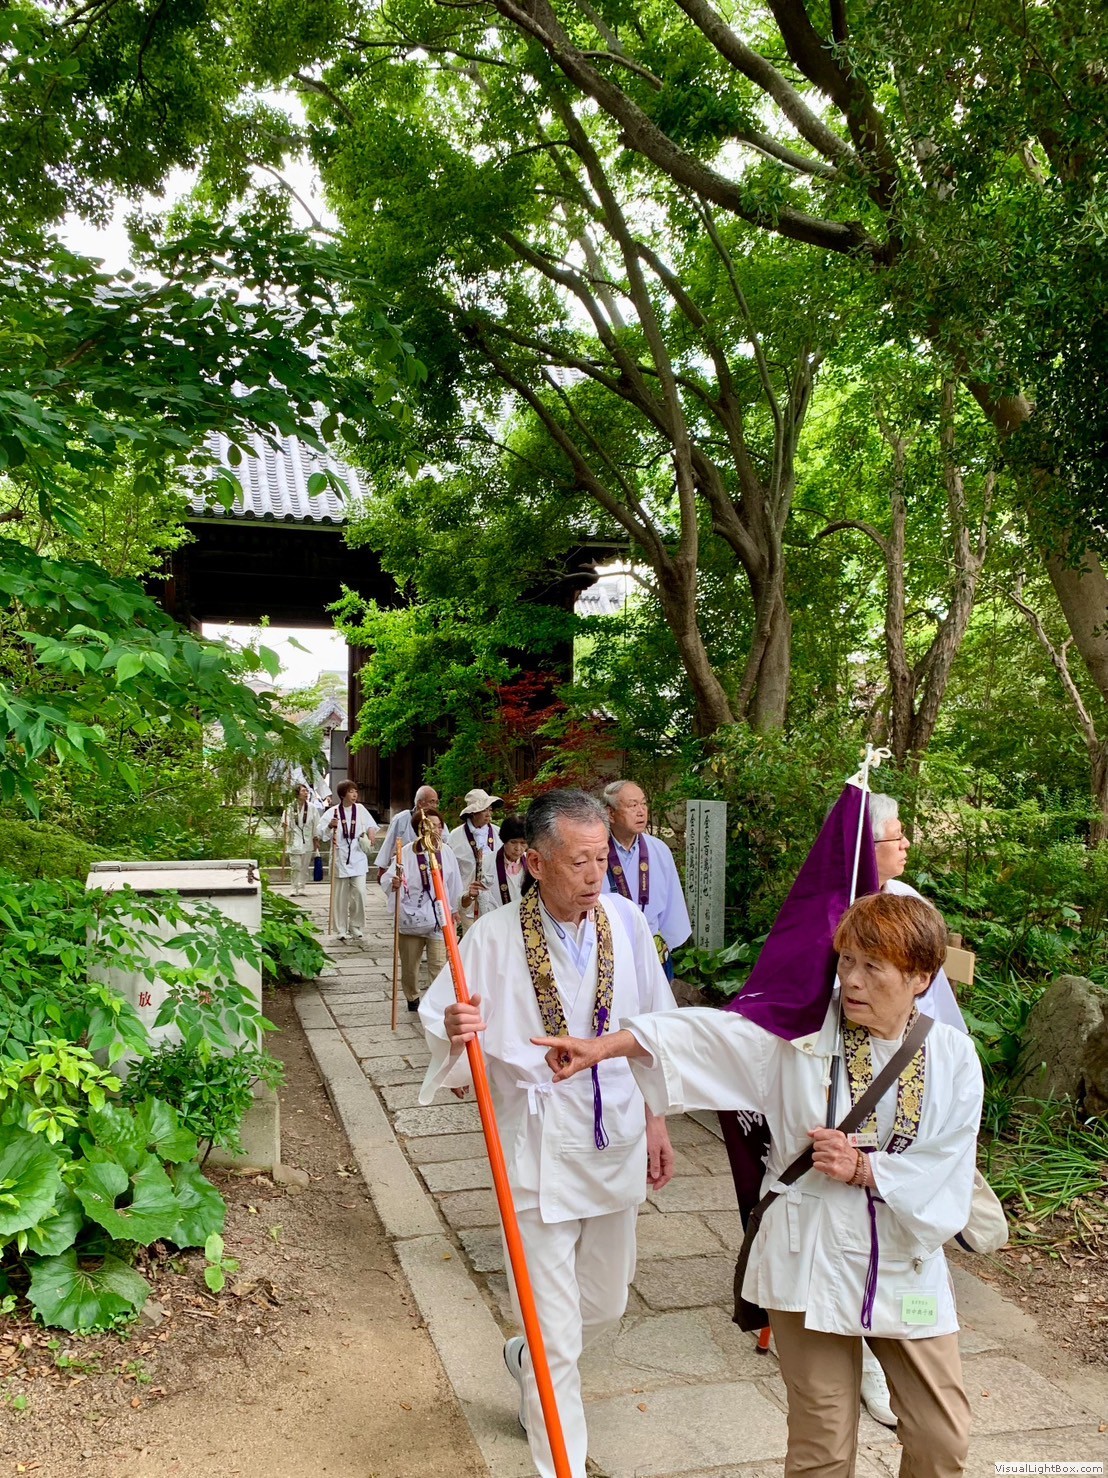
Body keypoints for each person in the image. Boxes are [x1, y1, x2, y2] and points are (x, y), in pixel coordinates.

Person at [537, 891, 982, 1478]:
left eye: (873, 967)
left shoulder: (952, 1055)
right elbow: (704, 1036)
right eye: (847, 960)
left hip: (905, 1263)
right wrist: (603, 1048)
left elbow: (950, 1161)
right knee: (823, 1444)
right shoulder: (799, 1034)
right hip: (810, 1257)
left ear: (920, 978)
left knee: (941, 1437)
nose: (852, 979)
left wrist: (867, 1169)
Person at [420, 789, 677, 1478]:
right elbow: (447, 1018)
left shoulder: (626, 922)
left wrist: (657, 1118)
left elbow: (658, 1027)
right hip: (534, 1147)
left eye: (600, 859)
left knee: (606, 1302)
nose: (594, 876)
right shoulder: (493, 936)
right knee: (554, 1335)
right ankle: (559, 1463)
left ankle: (524, 1356)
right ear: (535, 863)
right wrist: (456, 1030)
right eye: (578, 861)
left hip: (615, 1132)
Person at [869, 793, 965, 1032]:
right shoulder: (830, 914)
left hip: (922, 1030)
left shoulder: (907, 897)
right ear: (868, 847)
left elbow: (934, 993)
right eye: (897, 836)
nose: (906, 843)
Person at [600, 780, 691, 980]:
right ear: (610, 813)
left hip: (653, 951)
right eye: (632, 805)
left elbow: (673, 904)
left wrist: (663, 945)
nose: (641, 811)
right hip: (609, 952)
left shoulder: (659, 849)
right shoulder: (597, 851)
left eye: (643, 804)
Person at [380, 810, 463, 1011]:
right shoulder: (407, 852)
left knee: (439, 963)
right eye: (431, 826)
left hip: (439, 916)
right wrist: (395, 883)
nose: (436, 830)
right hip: (413, 916)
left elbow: (454, 883)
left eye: (439, 826)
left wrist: (454, 908)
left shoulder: (446, 851)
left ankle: (436, 1002)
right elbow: (388, 879)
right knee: (410, 965)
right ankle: (412, 996)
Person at [317, 781, 378, 944]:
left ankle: (355, 925)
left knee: (360, 892)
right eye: (351, 792)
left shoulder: (361, 809)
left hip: (358, 857)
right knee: (340, 896)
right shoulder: (333, 812)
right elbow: (321, 834)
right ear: (343, 794)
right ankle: (340, 929)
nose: (354, 794)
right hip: (341, 857)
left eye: (355, 791)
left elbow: (371, 825)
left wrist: (371, 834)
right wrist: (330, 826)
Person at [447, 787, 502, 930]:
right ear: (473, 813)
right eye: (484, 810)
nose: (488, 814)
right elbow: (451, 872)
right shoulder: (455, 836)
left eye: (490, 809)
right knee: (471, 937)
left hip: (495, 898)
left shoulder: (498, 833)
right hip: (468, 898)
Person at [375, 783, 440, 880]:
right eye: (432, 802)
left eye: (436, 802)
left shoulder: (436, 820)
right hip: (406, 863)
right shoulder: (401, 818)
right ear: (420, 803)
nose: (435, 806)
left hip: (430, 865)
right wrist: (382, 867)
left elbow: (444, 842)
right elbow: (389, 843)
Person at [482, 812, 530, 910]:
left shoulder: (532, 863)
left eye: (523, 843)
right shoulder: (486, 863)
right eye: (513, 842)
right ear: (504, 840)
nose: (518, 848)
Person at [282, 783, 319, 896]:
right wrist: (284, 826)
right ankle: (294, 887)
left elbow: (316, 824)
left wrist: (316, 838)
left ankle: (301, 886)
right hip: (294, 839)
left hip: (307, 839)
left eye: (307, 791)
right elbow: (284, 823)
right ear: (297, 793)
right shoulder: (289, 807)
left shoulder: (312, 808)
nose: (306, 793)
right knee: (295, 865)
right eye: (303, 791)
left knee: (304, 866)